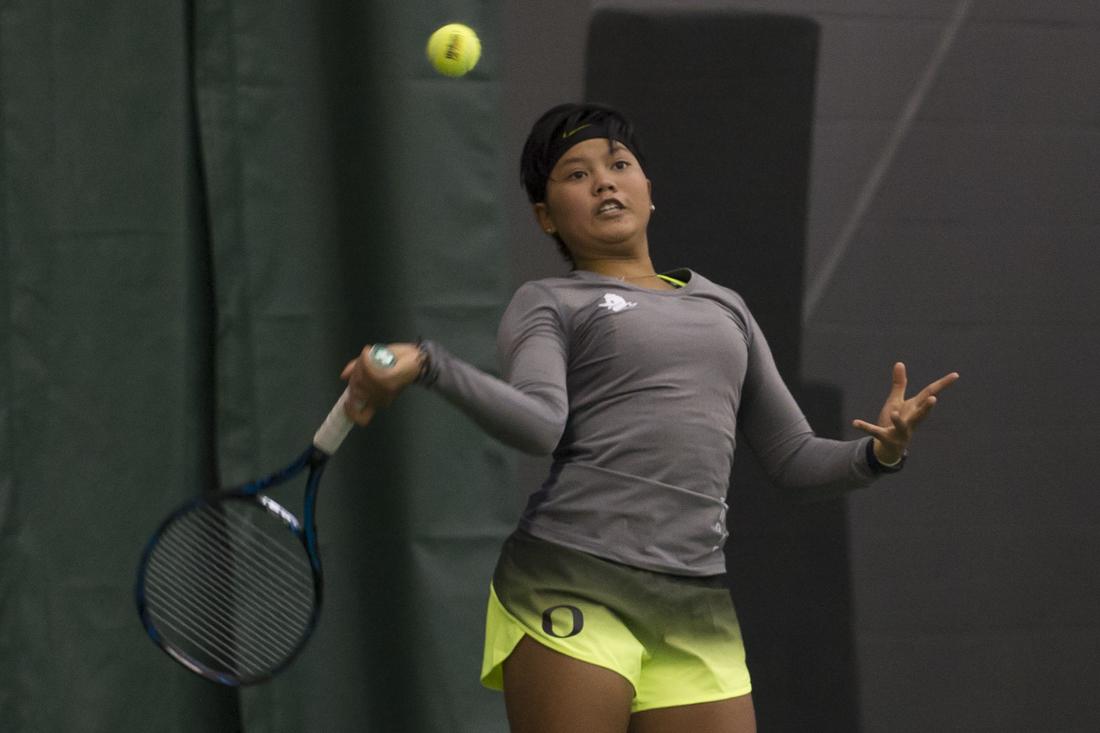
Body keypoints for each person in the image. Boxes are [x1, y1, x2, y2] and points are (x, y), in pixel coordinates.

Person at [340, 103, 959, 733]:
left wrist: (876, 455)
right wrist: (429, 364)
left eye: (619, 164)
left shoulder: (726, 308)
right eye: (576, 175)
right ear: (546, 217)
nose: (605, 181)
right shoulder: (549, 303)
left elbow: (792, 457)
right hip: (571, 581)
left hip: (696, 604)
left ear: (648, 191)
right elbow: (538, 424)